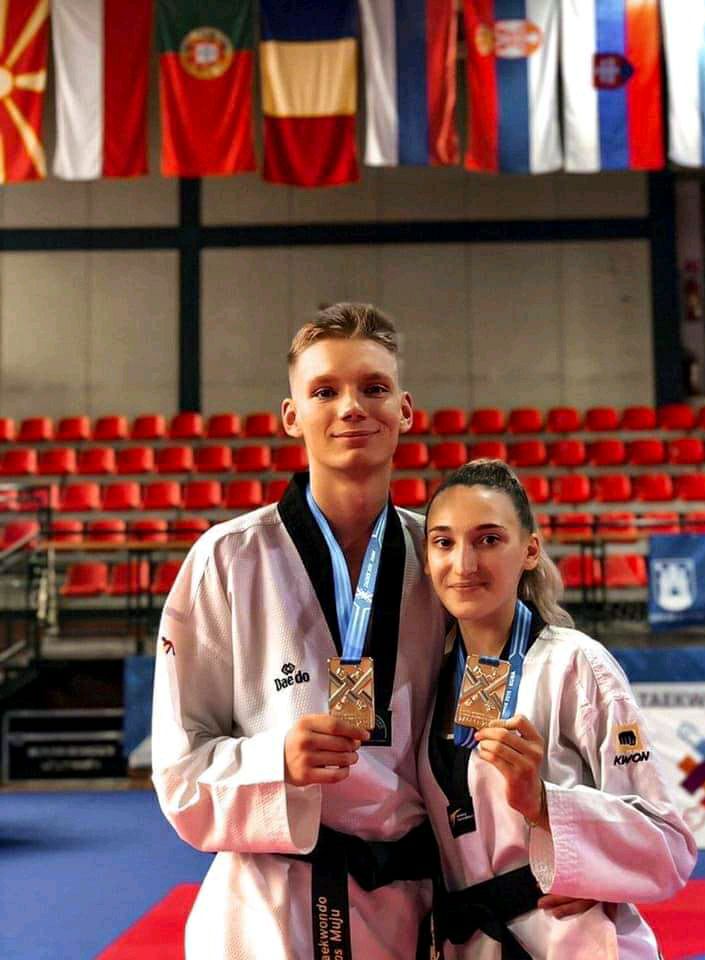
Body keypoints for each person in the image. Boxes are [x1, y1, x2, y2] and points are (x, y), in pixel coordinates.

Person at [151, 303, 447, 959]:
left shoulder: (447, 562)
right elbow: (179, 772)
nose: (352, 407)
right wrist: (275, 762)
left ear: (404, 410)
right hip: (273, 907)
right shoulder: (227, 561)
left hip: (421, 899)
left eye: (373, 387)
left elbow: (484, 739)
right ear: (292, 416)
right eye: (325, 391)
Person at [418, 460, 697, 959]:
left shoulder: (577, 665)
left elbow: (668, 847)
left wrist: (545, 805)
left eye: (488, 539)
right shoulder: (422, 679)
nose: (463, 563)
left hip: (572, 942)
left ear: (530, 550)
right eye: (443, 542)